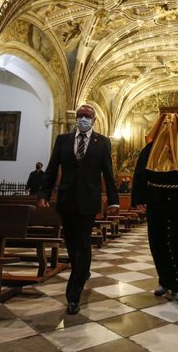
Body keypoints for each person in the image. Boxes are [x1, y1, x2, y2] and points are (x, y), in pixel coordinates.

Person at [36, 104, 119, 315]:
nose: (83, 119)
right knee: (72, 244)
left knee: (82, 243)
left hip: (89, 201)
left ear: (94, 120)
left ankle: (73, 294)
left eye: (87, 116)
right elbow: (53, 167)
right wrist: (44, 194)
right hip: (67, 200)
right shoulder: (63, 140)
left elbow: (108, 173)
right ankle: (82, 271)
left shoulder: (103, 142)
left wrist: (113, 200)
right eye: (81, 115)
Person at [131, 113, 178, 304]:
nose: (168, 127)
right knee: (157, 241)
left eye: (172, 124)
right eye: (165, 124)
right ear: (158, 126)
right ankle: (165, 280)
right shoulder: (148, 150)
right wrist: (139, 198)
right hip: (156, 200)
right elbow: (139, 175)